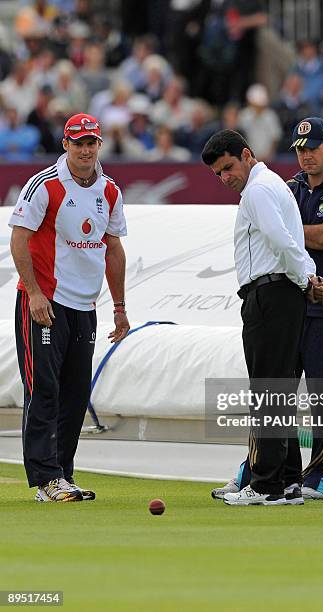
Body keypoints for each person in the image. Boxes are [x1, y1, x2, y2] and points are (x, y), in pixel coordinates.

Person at [211, 117, 323, 501]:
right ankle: (274, 473)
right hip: (297, 295)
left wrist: (287, 229)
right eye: (299, 149)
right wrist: (289, 231)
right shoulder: (286, 187)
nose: (306, 156)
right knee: (275, 391)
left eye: (313, 148)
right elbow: (293, 234)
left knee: (322, 396)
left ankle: (319, 477)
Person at [9, 113, 130, 503]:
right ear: (66, 144)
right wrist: (34, 292)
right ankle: (45, 478)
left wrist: (120, 307)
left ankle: (63, 475)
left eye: (91, 142)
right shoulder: (44, 185)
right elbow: (19, 239)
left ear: (99, 145)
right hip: (44, 301)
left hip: (84, 304)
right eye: (78, 142)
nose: (85, 149)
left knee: (76, 393)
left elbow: (112, 248)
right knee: (43, 387)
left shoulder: (109, 190)